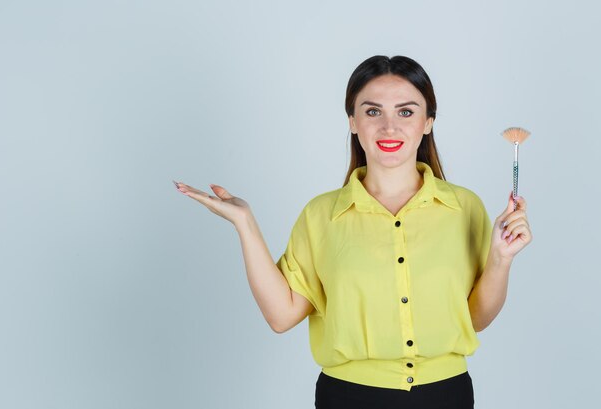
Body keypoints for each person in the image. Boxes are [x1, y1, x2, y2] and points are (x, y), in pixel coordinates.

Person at [173, 55, 532, 409]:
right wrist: (245, 224)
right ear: (353, 122)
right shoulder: (321, 215)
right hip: (348, 398)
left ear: (428, 122)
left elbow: (476, 318)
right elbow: (281, 316)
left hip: (447, 396)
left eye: (406, 112)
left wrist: (501, 259)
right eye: (373, 111)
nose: (389, 128)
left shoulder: (465, 208)